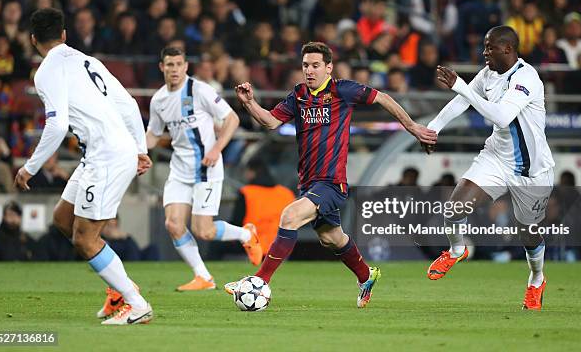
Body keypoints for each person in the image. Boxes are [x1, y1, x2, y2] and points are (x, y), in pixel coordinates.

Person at [225, 41, 437, 308]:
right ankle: (366, 275)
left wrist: (413, 127)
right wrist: (250, 103)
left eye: (315, 66)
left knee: (290, 216)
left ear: (328, 67)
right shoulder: (299, 95)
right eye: (305, 66)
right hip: (309, 182)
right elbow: (270, 121)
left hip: (332, 182)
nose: (309, 71)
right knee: (331, 238)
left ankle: (258, 282)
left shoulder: (342, 90)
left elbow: (383, 97)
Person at [13, 8, 153, 325]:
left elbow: (57, 125)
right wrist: (140, 149)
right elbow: (130, 105)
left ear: (33, 39)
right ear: (64, 34)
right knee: (63, 218)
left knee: (85, 239)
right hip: (103, 152)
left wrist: (30, 167)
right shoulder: (88, 61)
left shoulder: (46, 71)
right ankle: (117, 291)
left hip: (106, 155)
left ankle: (136, 303)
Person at [424, 26, 555, 310]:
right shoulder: (489, 74)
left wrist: (459, 84)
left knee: (527, 233)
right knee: (454, 208)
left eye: (489, 48)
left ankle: (536, 279)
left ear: (507, 49)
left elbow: (502, 115)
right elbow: (463, 100)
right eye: (484, 47)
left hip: (532, 170)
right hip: (496, 157)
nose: (484, 53)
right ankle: (457, 250)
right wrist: (433, 128)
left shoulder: (526, 77)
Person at [146, 47, 262, 292]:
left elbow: (232, 119)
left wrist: (216, 148)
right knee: (173, 224)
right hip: (179, 169)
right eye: (169, 65)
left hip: (206, 169)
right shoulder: (158, 100)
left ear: (186, 66)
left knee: (204, 231)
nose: (174, 69)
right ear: (162, 67)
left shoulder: (200, 90)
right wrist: (135, 152)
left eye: (178, 64)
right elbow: (154, 135)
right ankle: (204, 277)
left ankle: (245, 235)